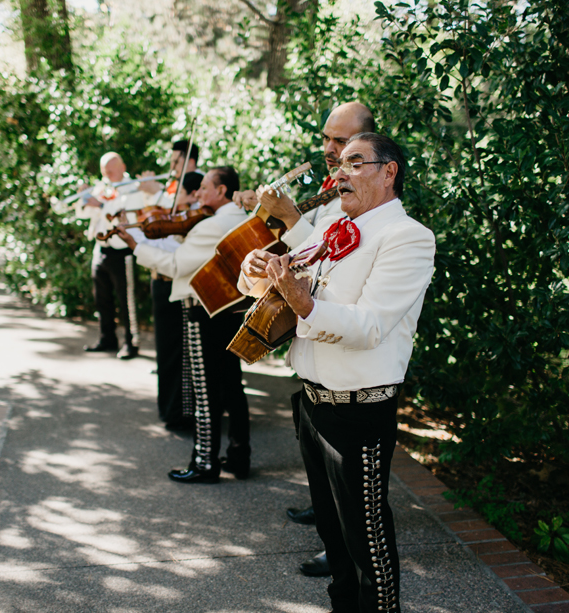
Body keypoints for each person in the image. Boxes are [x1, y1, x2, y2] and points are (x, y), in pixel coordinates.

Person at [239, 133, 435, 612]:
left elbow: (369, 326)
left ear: (389, 172)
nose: (340, 173)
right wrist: (255, 271)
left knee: (368, 545)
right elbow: (279, 291)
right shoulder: (332, 227)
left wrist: (302, 299)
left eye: (355, 162)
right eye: (339, 164)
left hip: (358, 413)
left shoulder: (407, 237)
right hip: (311, 405)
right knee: (334, 539)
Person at [235, 101, 377, 577]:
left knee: (355, 497)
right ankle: (329, 533)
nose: (331, 150)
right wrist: (259, 262)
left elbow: (331, 273)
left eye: (342, 142)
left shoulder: (367, 201)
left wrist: (291, 220)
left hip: (348, 366)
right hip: (313, 357)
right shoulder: (329, 190)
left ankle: (339, 544)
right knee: (322, 470)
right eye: (327, 139)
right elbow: (303, 255)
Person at [117, 167, 252, 484]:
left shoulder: (212, 225)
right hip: (229, 309)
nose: (197, 195)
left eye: (204, 188)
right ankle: (238, 455)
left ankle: (205, 462)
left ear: (221, 191)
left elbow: (176, 265)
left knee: (205, 390)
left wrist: (137, 247)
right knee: (233, 385)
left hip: (203, 309)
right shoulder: (240, 218)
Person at [233, 101, 376, 250]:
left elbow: (329, 256)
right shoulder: (332, 183)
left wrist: (289, 215)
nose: (328, 149)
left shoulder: (367, 193)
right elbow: (313, 229)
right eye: (326, 138)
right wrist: (266, 206)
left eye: (340, 141)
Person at [138, 141, 202, 431]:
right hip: (159, 279)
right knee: (166, 352)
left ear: (189, 161)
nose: (172, 166)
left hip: (177, 281)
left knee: (181, 353)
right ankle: (169, 409)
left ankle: (182, 412)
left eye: (176, 161)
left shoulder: (197, 187)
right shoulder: (170, 192)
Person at [78, 152, 145, 359]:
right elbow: (83, 213)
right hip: (101, 248)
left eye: (111, 168)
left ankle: (131, 342)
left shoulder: (133, 187)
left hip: (121, 249)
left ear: (122, 166)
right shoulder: (100, 187)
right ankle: (108, 338)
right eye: (104, 169)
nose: (107, 172)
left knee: (126, 299)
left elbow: (119, 211)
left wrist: (99, 205)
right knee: (102, 297)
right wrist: (84, 199)